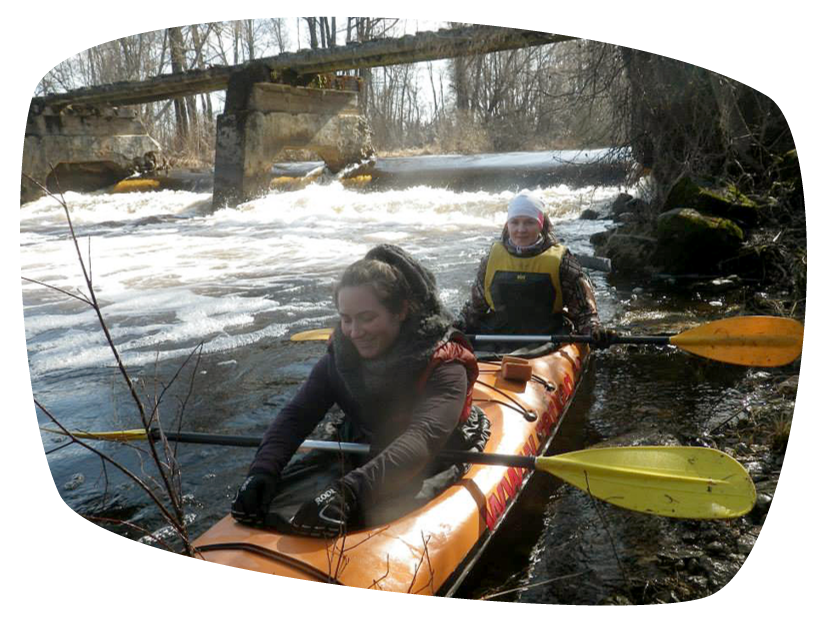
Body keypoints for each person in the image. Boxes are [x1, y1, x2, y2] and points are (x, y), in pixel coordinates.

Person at [231, 244, 486, 537]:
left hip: (435, 450)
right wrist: (262, 469)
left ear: (401, 310)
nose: (354, 332)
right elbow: (297, 414)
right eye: (346, 319)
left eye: (367, 318)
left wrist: (350, 492)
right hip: (364, 438)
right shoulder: (339, 357)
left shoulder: (445, 362)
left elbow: (424, 437)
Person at [457, 190, 610, 345]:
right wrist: (454, 327)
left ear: (540, 224)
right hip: (497, 336)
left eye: (529, 222)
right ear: (507, 225)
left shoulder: (562, 261)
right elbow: (474, 310)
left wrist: (595, 331)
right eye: (515, 222)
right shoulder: (491, 259)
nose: (521, 230)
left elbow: (584, 313)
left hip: (547, 338)